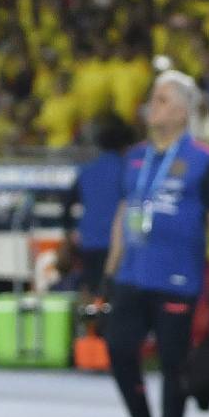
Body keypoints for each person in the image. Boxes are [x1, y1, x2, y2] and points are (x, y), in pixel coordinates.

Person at [100, 69, 209, 417]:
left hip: (177, 277)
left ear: (181, 111)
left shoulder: (204, 160)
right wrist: (110, 269)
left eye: (160, 100)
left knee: (173, 363)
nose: (150, 106)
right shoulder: (136, 156)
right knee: (119, 350)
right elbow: (125, 212)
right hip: (134, 274)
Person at [65, 113, 133, 295]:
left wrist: (70, 231)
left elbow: (66, 205)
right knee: (115, 297)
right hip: (116, 246)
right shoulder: (128, 170)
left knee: (94, 295)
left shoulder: (87, 170)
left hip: (89, 242)